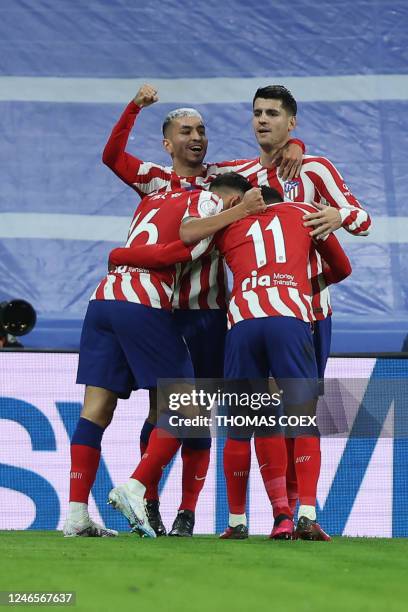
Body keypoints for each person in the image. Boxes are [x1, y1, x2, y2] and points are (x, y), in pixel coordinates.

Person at [102, 84, 305, 536]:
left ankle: (186, 512)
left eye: (202, 130)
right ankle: (149, 500)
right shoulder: (154, 179)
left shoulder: (223, 174)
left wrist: (296, 143)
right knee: (164, 410)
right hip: (162, 312)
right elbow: (113, 156)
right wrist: (134, 107)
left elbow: (272, 161)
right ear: (168, 142)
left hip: (210, 313)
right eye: (186, 131)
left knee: (200, 413)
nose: (197, 137)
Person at [63, 182, 265, 538]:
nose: (196, 138)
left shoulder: (152, 198)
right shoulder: (206, 203)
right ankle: (138, 488)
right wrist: (239, 210)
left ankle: (77, 514)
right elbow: (176, 247)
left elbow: (115, 162)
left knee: (95, 409)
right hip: (146, 302)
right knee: (188, 406)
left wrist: (119, 254)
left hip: (104, 295)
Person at [179, 175, 352, 540]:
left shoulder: (228, 224)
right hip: (288, 320)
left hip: (243, 323)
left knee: (241, 427)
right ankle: (304, 513)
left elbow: (186, 241)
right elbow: (342, 268)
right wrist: (301, 281)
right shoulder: (304, 212)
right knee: (302, 418)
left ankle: (237, 522)